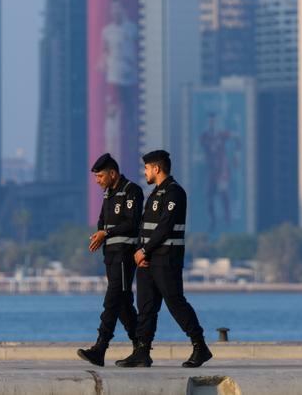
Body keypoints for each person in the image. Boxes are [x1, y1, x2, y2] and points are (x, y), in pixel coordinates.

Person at [116, 150, 212, 369]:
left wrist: (144, 250)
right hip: (148, 260)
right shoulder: (155, 193)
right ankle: (142, 351)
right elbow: (145, 228)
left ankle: (200, 346)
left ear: (156, 169)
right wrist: (141, 252)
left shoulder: (175, 193)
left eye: (147, 168)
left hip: (166, 259)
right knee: (146, 307)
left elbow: (166, 227)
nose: (145, 172)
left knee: (175, 302)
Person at [77, 153, 144, 366]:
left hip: (125, 255)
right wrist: (99, 234)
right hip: (110, 255)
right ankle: (141, 348)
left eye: (100, 176)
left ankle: (100, 347)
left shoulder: (132, 191)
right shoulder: (108, 194)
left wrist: (106, 233)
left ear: (112, 173)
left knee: (112, 300)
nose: (97, 181)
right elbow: (102, 221)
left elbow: (131, 223)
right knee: (123, 304)